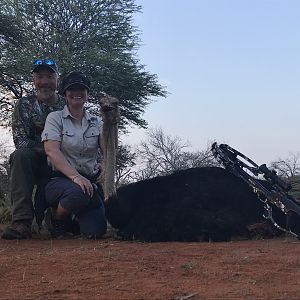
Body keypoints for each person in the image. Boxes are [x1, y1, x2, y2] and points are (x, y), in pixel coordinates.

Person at [2, 59, 65, 240]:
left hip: (62, 161)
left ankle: (61, 218)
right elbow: (20, 142)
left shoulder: (66, 104)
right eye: (40, 77)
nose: (44, 81)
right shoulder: (23, 104)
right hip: (35, 159)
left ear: (57, 80)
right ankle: (21, 221)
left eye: (50, 76)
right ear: (33, 80)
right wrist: (48, 150)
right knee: (20, 156)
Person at [41, 71, 107, 238]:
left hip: (89, 183)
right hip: (60, 181)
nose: (77, 93)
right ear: (65, 94)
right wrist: (76, 177)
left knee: (96, 232)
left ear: (87, 95)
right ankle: (57, 217)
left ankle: (75, 218)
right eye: (72, 89)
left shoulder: (97, 122)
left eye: (81, 89)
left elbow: (108, 150)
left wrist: (112, 124)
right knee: (79, 192)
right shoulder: (55, 118)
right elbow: (51, 150)